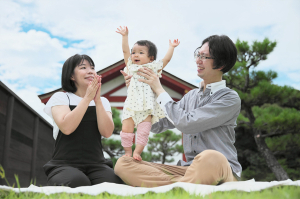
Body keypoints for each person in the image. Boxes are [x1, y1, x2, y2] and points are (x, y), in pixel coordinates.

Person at [115, 35, 242, 187]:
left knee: (211, 158)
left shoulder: (229, 98)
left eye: (204, 56)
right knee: (123, 164)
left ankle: (179, 187)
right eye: (198, 55)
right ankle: (184, 186)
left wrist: (158, 89)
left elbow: (186, 123)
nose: (198, 60)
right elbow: (156, 125)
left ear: (221, 64)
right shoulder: (191, 96)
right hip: (185, 169)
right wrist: (137, 95)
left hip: (220, 168)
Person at [43, 54, 123, 188]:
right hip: (64, 164)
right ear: (71, 76)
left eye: (92, 67)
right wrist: (87, 99)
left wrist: (97, 101)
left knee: (114, 184)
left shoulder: (102, 101)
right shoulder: (61, 98)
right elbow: (67, 128)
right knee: (77, 182)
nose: (90, 71)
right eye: (83, 67)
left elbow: (107, 132)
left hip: (97, 164)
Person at [116, 26, 180, 161]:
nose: (135, 55)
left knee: (143, 132)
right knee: (126, 130)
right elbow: (125, 51)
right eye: (134, 52)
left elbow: (166, 60)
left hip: (147, 107)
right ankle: (127, 151)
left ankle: (137, 152)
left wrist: (171, 47)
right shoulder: (131, 67)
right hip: (131, 106)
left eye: (140, 52)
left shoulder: (153, 67)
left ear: (151, 58)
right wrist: (125, 36)